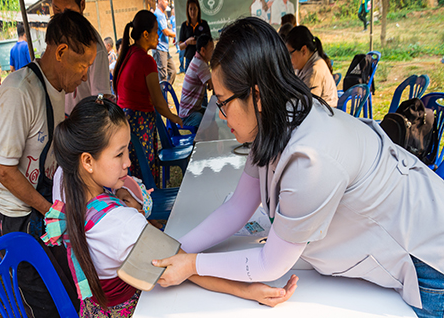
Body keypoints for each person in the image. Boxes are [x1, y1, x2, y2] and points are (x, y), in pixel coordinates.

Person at [151, 17, 444, 318]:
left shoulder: (310, 158)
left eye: (223, 102)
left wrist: (191, 264)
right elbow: (238, 207)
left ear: (257, 94)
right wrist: (176, 248)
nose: (222, 116)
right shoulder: (274, 121)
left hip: (428, 263)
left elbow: (271, 264)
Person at [45, 96, 300, 315]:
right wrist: (246, 290)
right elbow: (178, 264)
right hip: (132, 310)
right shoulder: (121, 224)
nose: (128, 163)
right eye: (120, 154)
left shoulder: (65, 177)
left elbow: (128, 190)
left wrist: (121, 189)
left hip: (92, 310)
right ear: (88, 161)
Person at [0, 10, 98, 317]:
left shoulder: (57, 89)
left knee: (68, 281)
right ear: (60, 52)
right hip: (12, 212)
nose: (86, 75)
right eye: (83, 65)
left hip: (37, 200)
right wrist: (49, 208)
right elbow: (4, 171)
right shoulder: (19, 92)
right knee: (42, 297)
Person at [113, 10, 182, 185]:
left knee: (134, 171)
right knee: (146, 172)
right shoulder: (145, 60)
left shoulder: (128, 55)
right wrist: (175, 118)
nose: (159, 35)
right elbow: (159, 102)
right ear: (145, 34)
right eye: (156, 30)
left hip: (125, 123)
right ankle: (148, 203)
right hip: (140, 122)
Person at [51, 0, 112, 115]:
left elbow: (100, 96)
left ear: (82, 4)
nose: (62, 18)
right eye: (56, 9)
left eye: (68, 11)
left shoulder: (95, 48)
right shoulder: (55, 38)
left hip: (80, 122)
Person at [285, 26, 338, 107]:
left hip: (323, 116)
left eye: (290, 53)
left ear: (304, 50)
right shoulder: (302, 66)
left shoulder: (315, 71)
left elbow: (308, 107)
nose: (288, 59)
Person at [179, 34, 213, 128]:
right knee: (208, 120)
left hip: (190, 110)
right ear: (203, 50)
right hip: (188, 115)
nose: (213, 52)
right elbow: (212, 86)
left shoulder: (196, 59)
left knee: (210, 114)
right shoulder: (200, 64)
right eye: (211, 49)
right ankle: (203, 141)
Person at [179, 0, 211, 73]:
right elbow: (180, 46)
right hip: (189, 60)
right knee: (190, 82)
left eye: (195, 9)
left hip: (202, 59)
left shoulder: (204, 24)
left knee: (204, 82)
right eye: (190, 9)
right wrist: (188, 42)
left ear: (198, 9)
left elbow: (210, 42)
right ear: (187, 10)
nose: (193, 12)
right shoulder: (184, 25)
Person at [153, 0, 176, 84]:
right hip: (160, 49)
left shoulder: (162, 14)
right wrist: (177, 34)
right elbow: (166, 32)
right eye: (165, 0)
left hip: (165, 49)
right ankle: (162, 95)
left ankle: (165, 91)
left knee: (173, 71)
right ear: (159, 1)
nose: (167, 2)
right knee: (163, 77)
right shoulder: (158, 14)